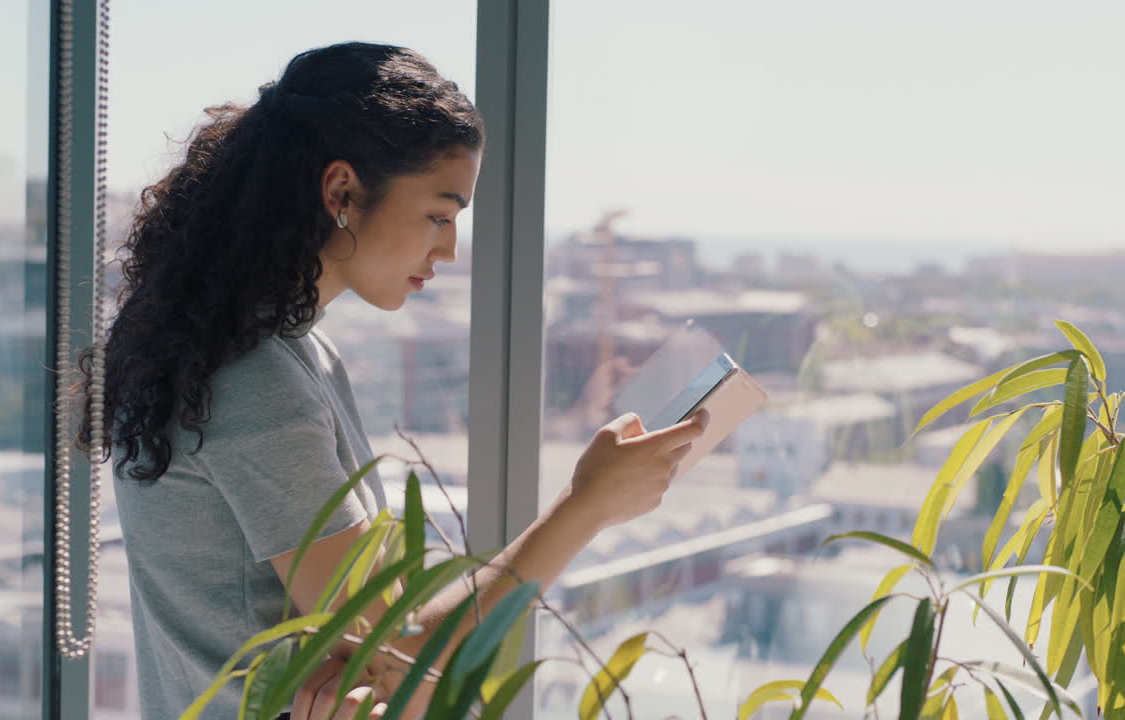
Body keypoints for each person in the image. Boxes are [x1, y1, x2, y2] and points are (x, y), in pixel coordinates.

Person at [83, 41, 707, 720]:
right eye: (439, 216)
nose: (447, 249)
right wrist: (584, 506)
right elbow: (396, 661)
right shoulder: (256, 382)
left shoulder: (284, 352)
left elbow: (373, 652)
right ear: (342, 191)